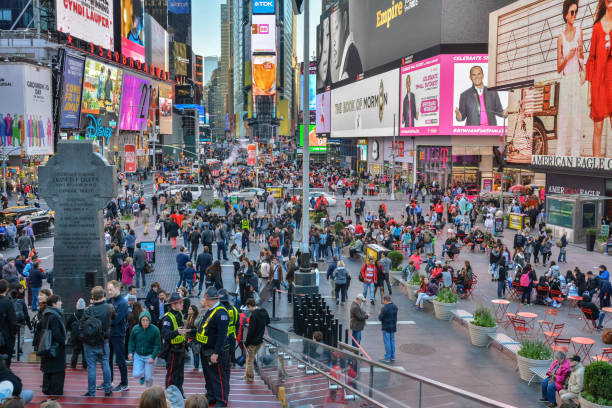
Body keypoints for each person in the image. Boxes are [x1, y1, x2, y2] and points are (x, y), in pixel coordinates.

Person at [195, 287, 229, 406]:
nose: (205, 301)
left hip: (214, 351)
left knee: (218, 376)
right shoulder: (211, 310)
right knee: (209, 375)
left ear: (210, 299)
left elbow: (221, 335)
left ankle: (221, 400)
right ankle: (211, 395)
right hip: (206, 349)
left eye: (206, 299)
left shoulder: (221, 313)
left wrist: (216, 353)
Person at [82, 286, 115, 397]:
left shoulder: (88, 310)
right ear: (103, 295)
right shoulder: (109, 307)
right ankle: (107, 390)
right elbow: (114, 318)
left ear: (93, 297)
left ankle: (91, 392)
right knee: (105, 364)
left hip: (89, 342)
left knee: (91, 367)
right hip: (104, 341)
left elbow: (82, 325)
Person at [160, 292, 188, 396]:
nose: (182, 304)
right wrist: (177, 332)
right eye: (180, 302)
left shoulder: (179, 314)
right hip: (172, 351)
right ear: (173, 304)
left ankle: (179, 393)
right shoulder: (167, 318)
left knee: (180, 374)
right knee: (172, 374)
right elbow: (165, 334)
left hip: (181, 349)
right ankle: (169, 396)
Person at [39, 295, 66, 396]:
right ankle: (56, 393)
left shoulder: (46, 314)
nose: (61, 303)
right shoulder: (55, 316)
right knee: (57, 372)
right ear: (54, 303)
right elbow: (57, 334)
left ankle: (47, 388)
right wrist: (63, 340)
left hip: (47, 347)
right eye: (59, 301)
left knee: (48, 371)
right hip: (55, 348)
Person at [128, 310, 161, 388]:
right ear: (140, 320)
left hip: (150, 356)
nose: (145, 322)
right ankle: (143, 375)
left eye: (147, 320)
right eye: (143, 320)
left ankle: (148, 391)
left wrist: (153, 357)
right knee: (136, 375)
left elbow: (157, 345)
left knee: (149, 377)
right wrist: (130, 352)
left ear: (150, 320)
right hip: (138, 355)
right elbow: (131, 341)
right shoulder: (135, 329)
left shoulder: (155, 330)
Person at [243, 297, 269, 383]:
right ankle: (247, 375)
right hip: (260, 340)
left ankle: (250, 377)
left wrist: (246, 343)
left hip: (253, 342)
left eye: (248, 307)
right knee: (250, 358)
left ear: (250, 305)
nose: (248, 309)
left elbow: (250, 332)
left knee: (250, 359)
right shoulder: (263, 311)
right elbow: (268, 321)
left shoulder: (253, 315)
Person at [218, 289, 239, 370]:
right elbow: (237, 323)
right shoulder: (234, 309)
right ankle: (232, 363)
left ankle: (225, 365)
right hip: (232, 335)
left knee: (223, 351)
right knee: (231, 350)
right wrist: (236, 334)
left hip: (222, 335)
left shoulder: (220, 310)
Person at [65, 298, 86, 369]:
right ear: (84, 306)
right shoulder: (86, 315)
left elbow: (67, 326)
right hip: (84, 337)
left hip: (75, 337)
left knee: (75, 352)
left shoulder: (73, 315)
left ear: (77, 306)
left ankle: (73, 366)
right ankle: (85, 366)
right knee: (85, 352)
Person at [0, 281, 16, 368]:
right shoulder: (8, 302)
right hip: (6, 336)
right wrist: (14, 333)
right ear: (7, 289)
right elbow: (13, 321)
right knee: (6, 361)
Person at [378, 295, 398, 364]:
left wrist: (380, 313)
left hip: (386, 327)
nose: (383, 302)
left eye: (383, 300)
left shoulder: (384, 308)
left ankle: (387, 357)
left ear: (386, 300)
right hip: (393, 326)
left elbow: (380, 318)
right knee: (392, 341)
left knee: (387, 342)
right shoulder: (395, 307)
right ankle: (393, 356)